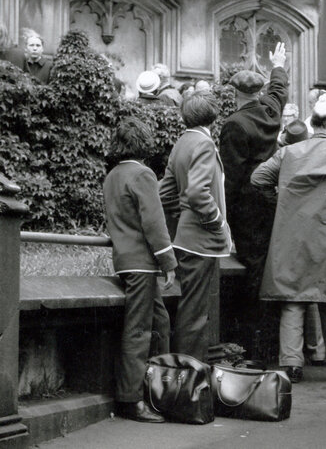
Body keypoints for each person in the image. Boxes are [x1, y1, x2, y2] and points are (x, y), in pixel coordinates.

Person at [251, 100, 326, 384]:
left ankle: (291, 365)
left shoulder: (288, 152)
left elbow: (258, 178)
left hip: (291, 232)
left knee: (292, 298)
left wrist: (281, 201)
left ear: (312, 124)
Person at [103, 116, 177, 423]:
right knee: (140, 332)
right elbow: (154, 223)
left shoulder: (112, 176)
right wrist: (168, 263)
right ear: (144, 143)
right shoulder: (143, 174)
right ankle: (132, 399)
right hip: (143, 264)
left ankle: (160, 387)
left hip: (124, 260)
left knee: (160, 322)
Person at [219, 43, 288, 361]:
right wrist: (278, 65)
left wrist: (223, 221)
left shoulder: (234, 125)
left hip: (245, 206)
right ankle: (267, 342)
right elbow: (279, 90)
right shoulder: (271, 112)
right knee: (263, 268)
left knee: (248, 272)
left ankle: (250, 343)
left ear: (235, 93)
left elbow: (230, 179)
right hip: (269, 201)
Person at [158, 91, 232, 361]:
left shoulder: (182, 142)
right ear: (213, 116)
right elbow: (198, 194)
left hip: (185, 238)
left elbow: (165, 193)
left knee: (192, 308)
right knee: (195, 312)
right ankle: (190, 375)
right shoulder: (203, 144)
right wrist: (216, 222)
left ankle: (185, 372)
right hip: (202, 239)